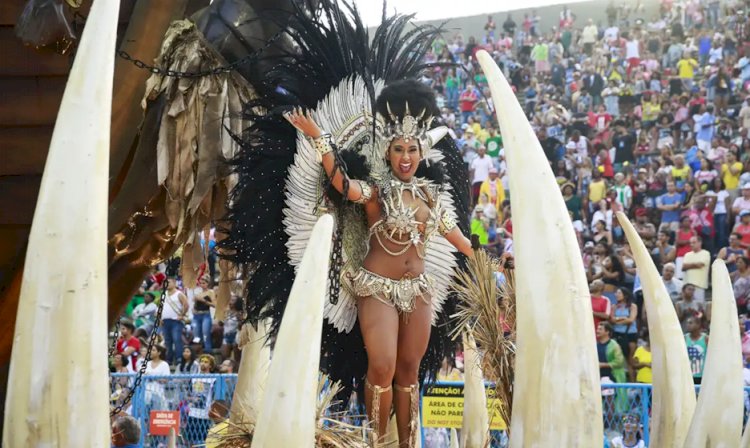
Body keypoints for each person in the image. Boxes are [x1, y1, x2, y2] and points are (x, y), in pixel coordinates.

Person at [284, 79, 477, 446]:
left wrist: (496, 262)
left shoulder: (432, 198)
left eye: (412, 149)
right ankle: (375, 442)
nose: (406, 157)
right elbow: (342, 185)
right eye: (399, 148)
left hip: (419, 290)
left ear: (422, 154)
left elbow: (462, 241)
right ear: (388, 152)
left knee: (408, 373)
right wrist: (319, 137)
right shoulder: (376, 192)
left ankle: (405, 444)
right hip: (377, 289)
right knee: (383, 366)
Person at [161, 277, 189, 365]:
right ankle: (169, 359)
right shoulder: (163, 294)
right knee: (167, 341)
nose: (167, 284)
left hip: (175, 321)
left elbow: (186, 305)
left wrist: (182, 315)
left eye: (169, 282)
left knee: (177, 340)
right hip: (165, 321)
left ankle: (179, 358)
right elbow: (161, 307)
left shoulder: (179, 294)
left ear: (174, 283)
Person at [610, 288, 638, 374]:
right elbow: (612, 320)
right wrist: (624, 318)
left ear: (625, 295)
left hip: (630, 334)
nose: (616, 295)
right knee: (617, 358)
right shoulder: (614, 306)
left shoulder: (632, 306)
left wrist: (617, 319)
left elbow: (631, 320)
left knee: (630, 359)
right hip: (617, 333)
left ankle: (633, 384)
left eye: (619, 293)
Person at [682, 236, 711, 302]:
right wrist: (695, 264)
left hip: (699, 285)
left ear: (700, 243)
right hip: (687, 285)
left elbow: (701, 265)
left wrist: (689, 265)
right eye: (690, 243)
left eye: (694, 242)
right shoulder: (687, 254)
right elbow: (683, 267)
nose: (691, 244)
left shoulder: (705, 253)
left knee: (699, 308)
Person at [192, 275, 216, 352]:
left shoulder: (210, 292)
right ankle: (198, 351)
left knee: (206, 333)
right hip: (196, 315)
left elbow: (214, 305)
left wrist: (203, 300)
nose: (202, 285)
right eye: (201, 283)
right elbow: (195, 305)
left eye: (204, 283)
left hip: (205, 314)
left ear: (208, 283)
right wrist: (193, 310)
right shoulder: (198, 292)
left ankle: (208, 351)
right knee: (196, 335)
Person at [684, 316, 708, 385]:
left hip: (703, 375)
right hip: (688, 375)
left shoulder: (705, 339)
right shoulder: (685, 338)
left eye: (690, 323)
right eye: (687, 323)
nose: (688, 325)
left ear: (698, 325)